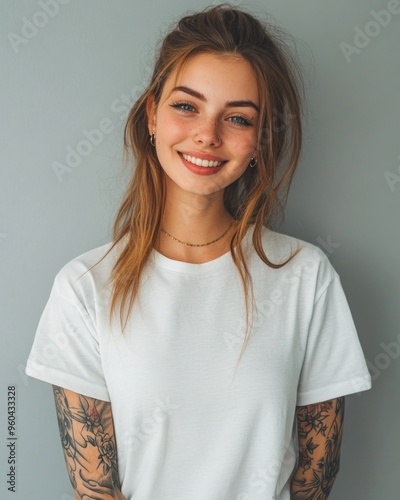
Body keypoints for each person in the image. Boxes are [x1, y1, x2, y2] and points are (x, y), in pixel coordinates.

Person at [25, 4, 372, 499]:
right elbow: (95, 491)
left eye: (237, 117)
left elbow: (317, 476)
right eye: (186, 105)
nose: (207, 135)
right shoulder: (84, 287)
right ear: (151, 113)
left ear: (259, 140)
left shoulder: (305, 276)